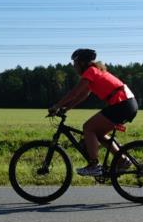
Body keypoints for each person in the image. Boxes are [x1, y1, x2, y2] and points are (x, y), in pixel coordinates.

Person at [50, 48, 138, 176]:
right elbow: (82, 96)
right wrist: (66, 108)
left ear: (82, 63)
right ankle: (123, 160)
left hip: (122, 104)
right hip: (127, 104)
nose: (74, 66)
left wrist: (56, 105)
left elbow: (75, 92)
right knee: (98, 134)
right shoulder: (95, 71)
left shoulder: (91, 71)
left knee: (88, 128)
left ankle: (94, 165)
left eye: (75, 63)